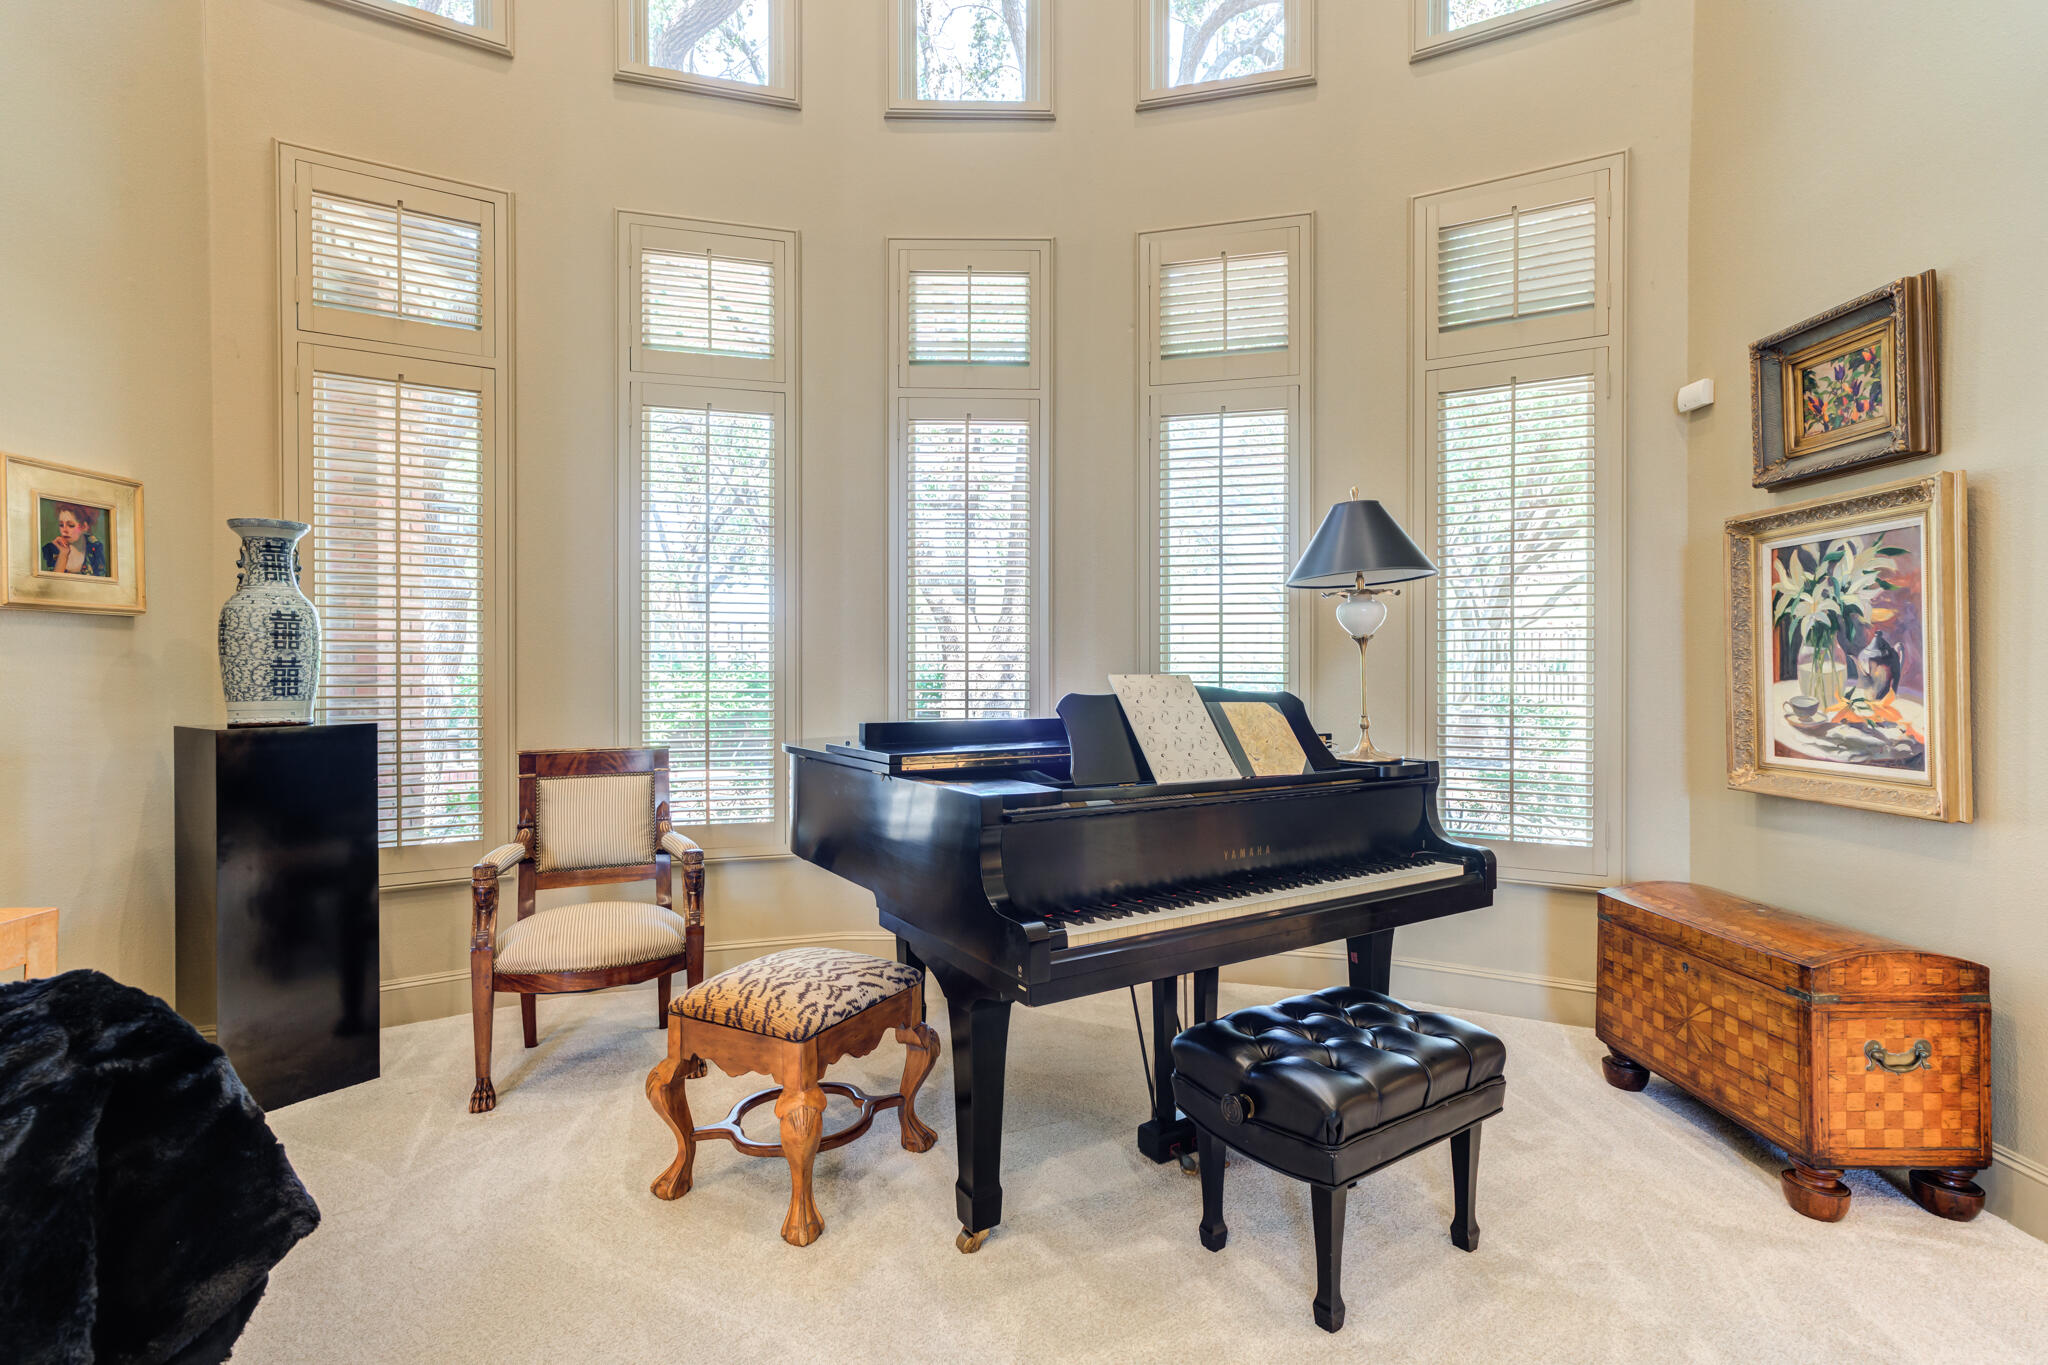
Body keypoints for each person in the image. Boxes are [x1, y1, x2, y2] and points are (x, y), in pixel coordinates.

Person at [42, 502, 110, 577]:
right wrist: (63, 554)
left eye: (71, 525)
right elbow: (53, 584)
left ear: (84, 527)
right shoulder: (51, 549)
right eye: (61, 525)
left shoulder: (95, 547)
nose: (64, 530)